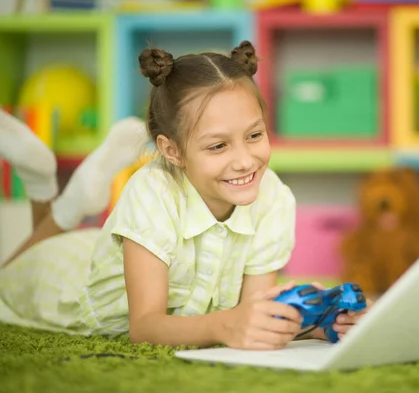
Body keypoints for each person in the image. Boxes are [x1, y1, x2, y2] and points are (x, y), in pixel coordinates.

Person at [0, 41, 371, 350]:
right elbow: (145, 327)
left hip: (117, 250)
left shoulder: (273, 197)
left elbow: (246, 316)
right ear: (172, 150)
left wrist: (316, 322)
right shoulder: (151, 191)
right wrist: (224, 327)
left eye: (255, 135)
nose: (245, 161)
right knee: (7, 277)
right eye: (218, 146)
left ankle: (69, 201)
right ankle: (48, 190)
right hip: (60, 282)